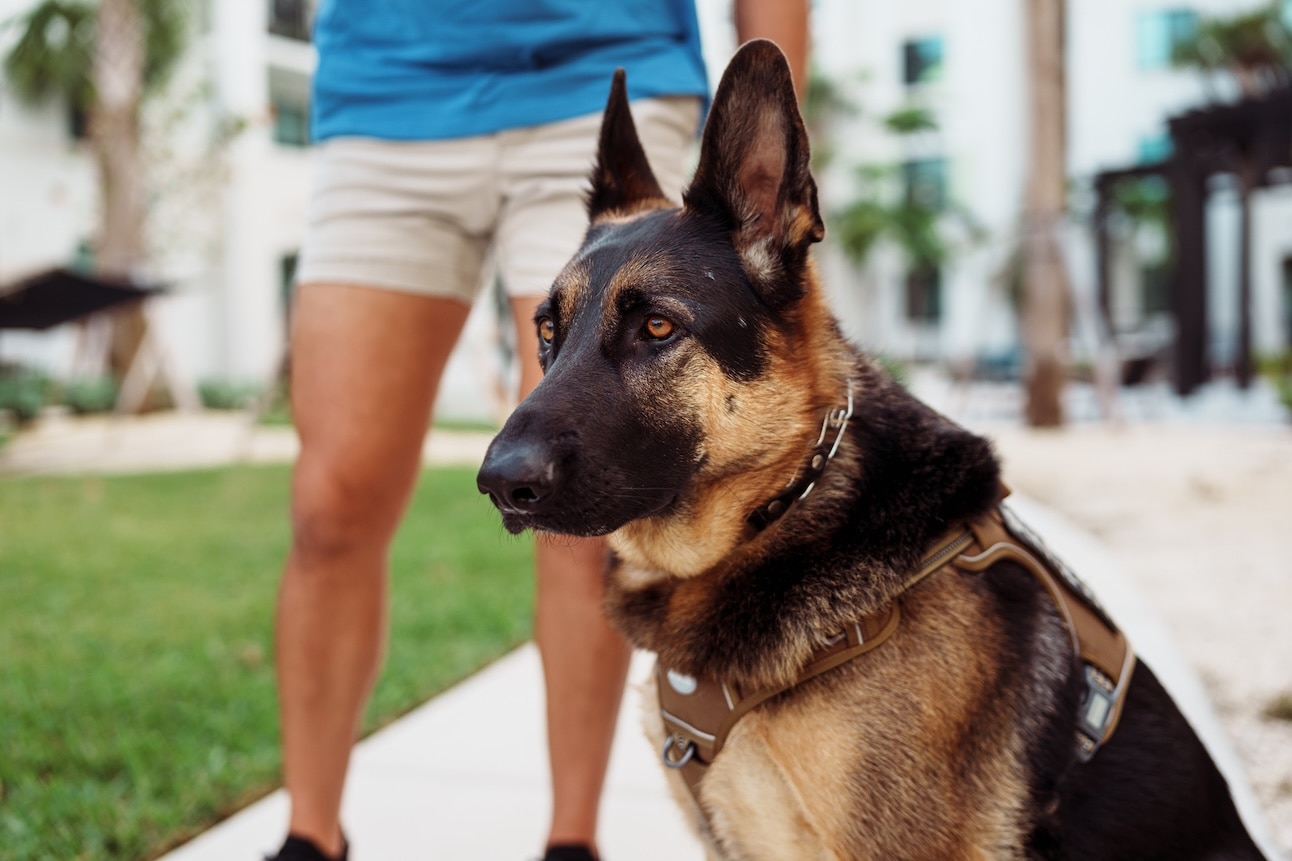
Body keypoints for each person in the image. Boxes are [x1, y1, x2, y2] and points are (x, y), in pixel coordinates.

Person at [269, 2, 809, 860]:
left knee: (590, 490)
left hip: (601, 67)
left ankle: (570, 842)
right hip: (385, 88)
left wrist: (775, 185)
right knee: (331, 500)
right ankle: (309, 838)